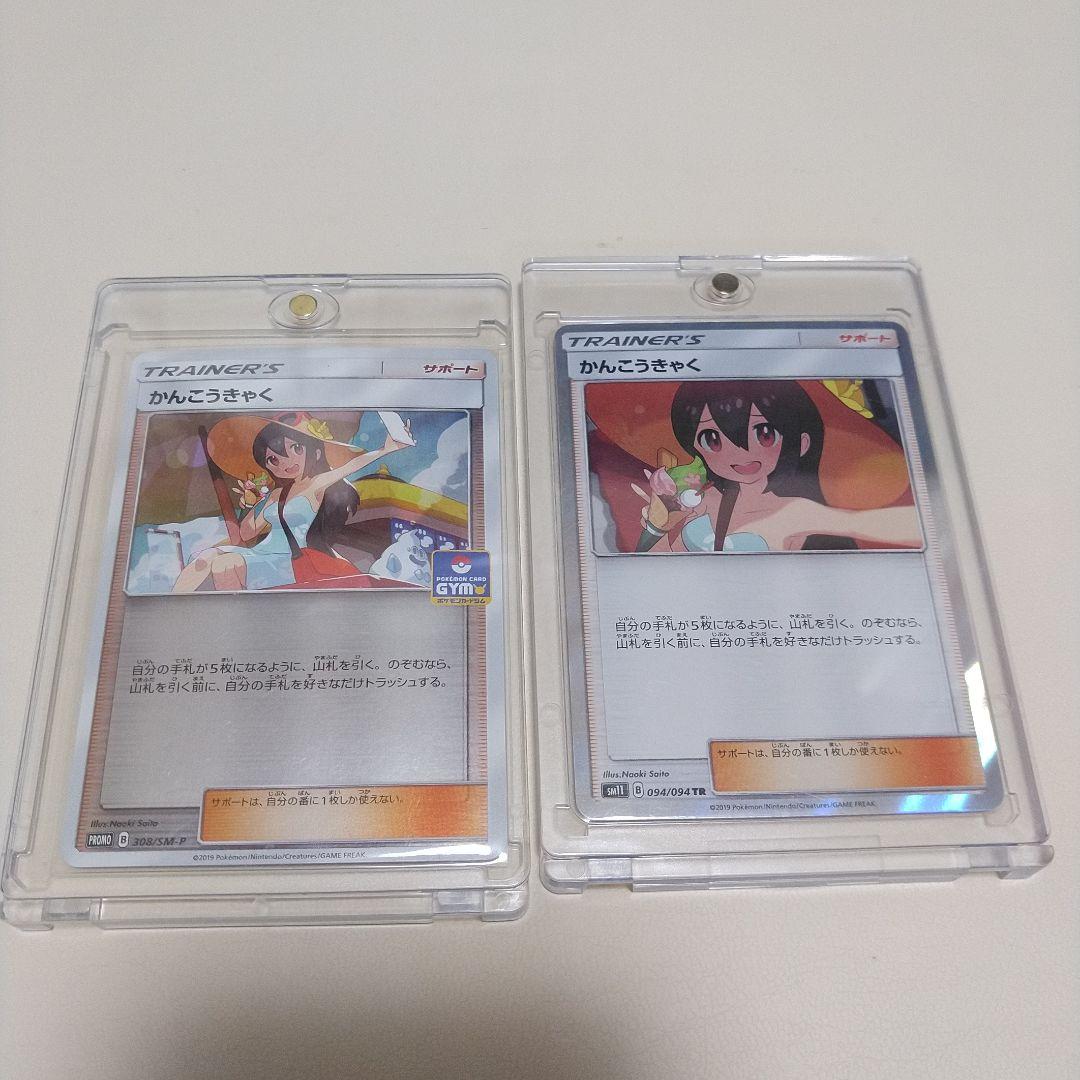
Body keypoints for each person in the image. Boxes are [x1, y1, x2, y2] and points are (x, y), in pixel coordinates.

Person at [630, 380, 922, 553]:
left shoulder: (796, 511)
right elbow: (659, 568)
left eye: (764, 434)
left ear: (801, 442)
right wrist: (657, 526)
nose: (739, 452)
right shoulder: (703, 500)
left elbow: (910, 526)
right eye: (712, 439)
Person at [173, 411, 411, 591]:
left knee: (226, 565)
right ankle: (173, 612)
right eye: (273, 460)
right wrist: (253, 503)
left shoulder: (315, 484)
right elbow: (246, 533)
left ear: (314, 451)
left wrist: (385, 450)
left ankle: (238, 624)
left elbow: (350, 466)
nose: (285, 463)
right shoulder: (275, 495)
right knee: (203, 560)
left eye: (295, 448)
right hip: (263, 554)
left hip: (292, 560)